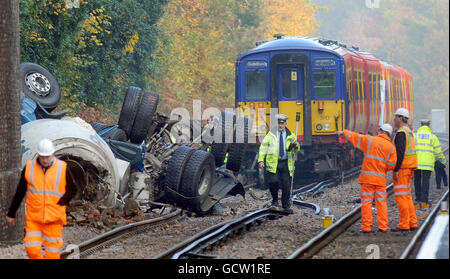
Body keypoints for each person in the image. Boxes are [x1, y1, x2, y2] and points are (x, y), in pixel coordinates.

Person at [6, 139, 78, 259]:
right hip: (35, 218)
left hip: (54, 219)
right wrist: (11, 213)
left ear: (53, 154)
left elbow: (73, 189)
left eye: (47, 156)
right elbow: (20, 192)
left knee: (52, 254)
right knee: (32, 249)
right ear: (38, 155)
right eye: (42, 156)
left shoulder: (62, 168)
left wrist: (62, 202)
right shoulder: (29, 168)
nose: (45, 160)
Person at [338, 124, 397, 233]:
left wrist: (344, 132)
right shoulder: (391, 148)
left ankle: (366, 227)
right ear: (389, 134)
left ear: (380, 131)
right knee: (381, 203)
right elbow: (392, 165)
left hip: (367, 179)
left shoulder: (370, 141)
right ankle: (383, 226)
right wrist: (383, 168)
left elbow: (355, 137)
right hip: (380, 180)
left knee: (366, 203)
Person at [258, 114, 300, 214]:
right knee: (273, 182)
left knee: (286, 186)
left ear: (285, 123)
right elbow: (263, 147)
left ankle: (285, 205)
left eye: (282, 123)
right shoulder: (270, 134)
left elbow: (297, 149)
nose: (280, 125)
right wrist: (261, 160)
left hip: (286, 163)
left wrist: (297, 146)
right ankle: (275, 201)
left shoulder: (291, 135)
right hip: (273, 163)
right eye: (279, 123)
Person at [392, 108, 418, 232]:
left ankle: (404, 224)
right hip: (409, 167)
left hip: (402, 168)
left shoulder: (401, 133)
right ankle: (412, 222)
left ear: (401, 118)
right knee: (407, 196)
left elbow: (400, 152)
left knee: (401, 197)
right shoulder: (409, 131)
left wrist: (396, 169)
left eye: (396, 117)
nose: (394, 119)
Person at [414, 119, 446, 208]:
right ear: (428, 125)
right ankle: (424, 200)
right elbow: (438, 152)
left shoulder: (415, 135)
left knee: (417, 180)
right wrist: (443, 160)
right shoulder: (432, 137)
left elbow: (410, 149)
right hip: (427, 164)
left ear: (421, 125)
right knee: (425, 181)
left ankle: (418, 198)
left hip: (416, 162)